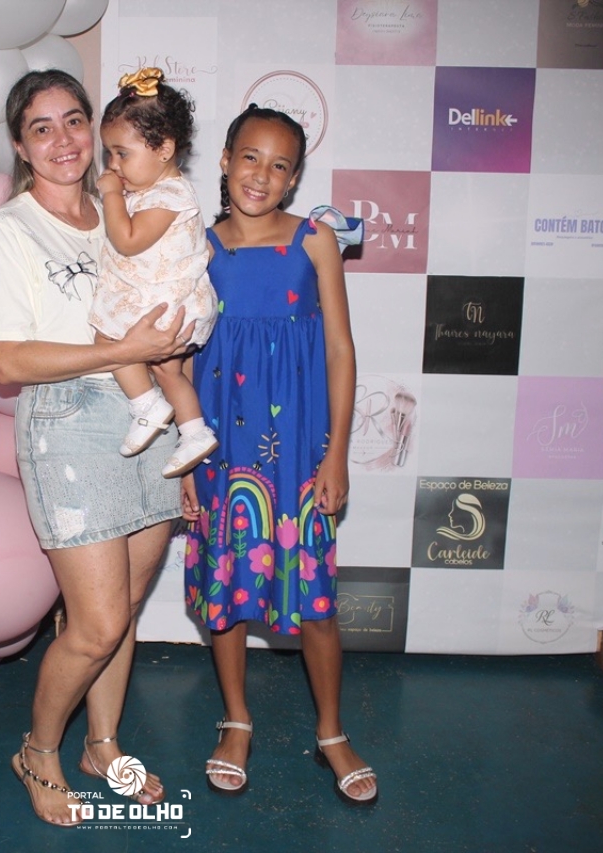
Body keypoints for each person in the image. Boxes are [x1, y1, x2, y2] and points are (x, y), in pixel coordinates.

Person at [0, 69, 193, 828]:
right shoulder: (10, 230)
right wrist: (120, 351)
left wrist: (186, 427)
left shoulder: (129, 210)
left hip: (153, 416)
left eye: (73, 121)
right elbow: (8, 362)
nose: (62, 139)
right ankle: (38, 751)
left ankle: (102, 744)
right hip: (69, 422)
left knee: (123, 611)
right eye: (41, 127)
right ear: (20, 145)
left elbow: (173, 311)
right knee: (94, 624)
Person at [181, 105, 377, 804]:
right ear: (225, 159)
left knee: (316, 600)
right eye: (250, 157)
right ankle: (236, 720)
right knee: (227, 592)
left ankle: (331, 731)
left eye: (279, 165)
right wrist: (188, 459)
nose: (261, 175)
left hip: (299, 452)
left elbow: (340, 350)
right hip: (222, 450)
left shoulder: (314, 240)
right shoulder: (198, 247)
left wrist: (337, 455)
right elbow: (183, 357)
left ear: (294, 179)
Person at [89, 67, 219, 478]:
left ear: (164, 149)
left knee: (108, 337)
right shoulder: (164, 192)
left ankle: (146, 405)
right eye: (108, 154)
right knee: (168, 369)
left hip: (162, 306)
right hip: (178, 304)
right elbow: (205, 249)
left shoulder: (166, 195)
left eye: (122, 154)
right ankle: (195, 432)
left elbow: (127, 240)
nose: (113, 165)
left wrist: (111, 195)